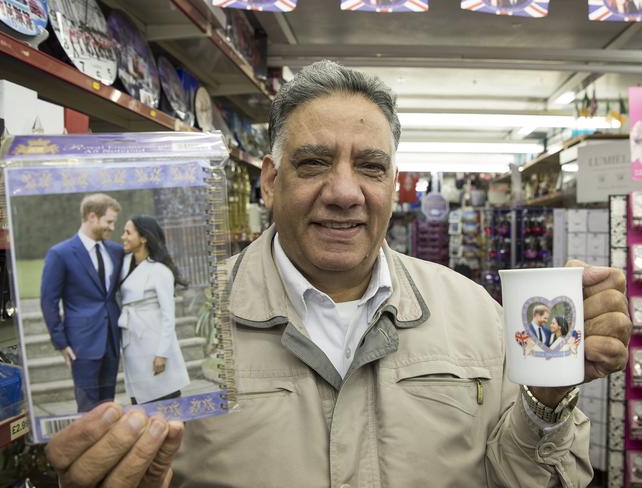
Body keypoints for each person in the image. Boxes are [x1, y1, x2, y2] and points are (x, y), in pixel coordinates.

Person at [44, 61, 632, 487]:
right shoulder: (185, 318)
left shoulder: (477, 314)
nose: (344, 192)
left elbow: (525, 478)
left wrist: (549, 397)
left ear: (391, 185)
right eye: (315, 163)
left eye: (370, 167)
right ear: (270, 182)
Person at [40, 193, 123, 413]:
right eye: (109, 221)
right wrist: (60, 343)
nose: (113, 228)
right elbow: (49, 301)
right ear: (92, 216)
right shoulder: (60, 254)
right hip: (81, 344)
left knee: (109, 406)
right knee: (88, 411)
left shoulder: (116, 252)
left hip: (112, 339)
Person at [118, 216, 190, 405]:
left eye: (128, 232)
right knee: (140, 404)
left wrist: (162, 353)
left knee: (165, 405)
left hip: (154, 344)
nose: (122, 237)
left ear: (143, 238)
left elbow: (168, 316)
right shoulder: (124, 265)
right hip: (132, 342)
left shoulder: (160, 271)